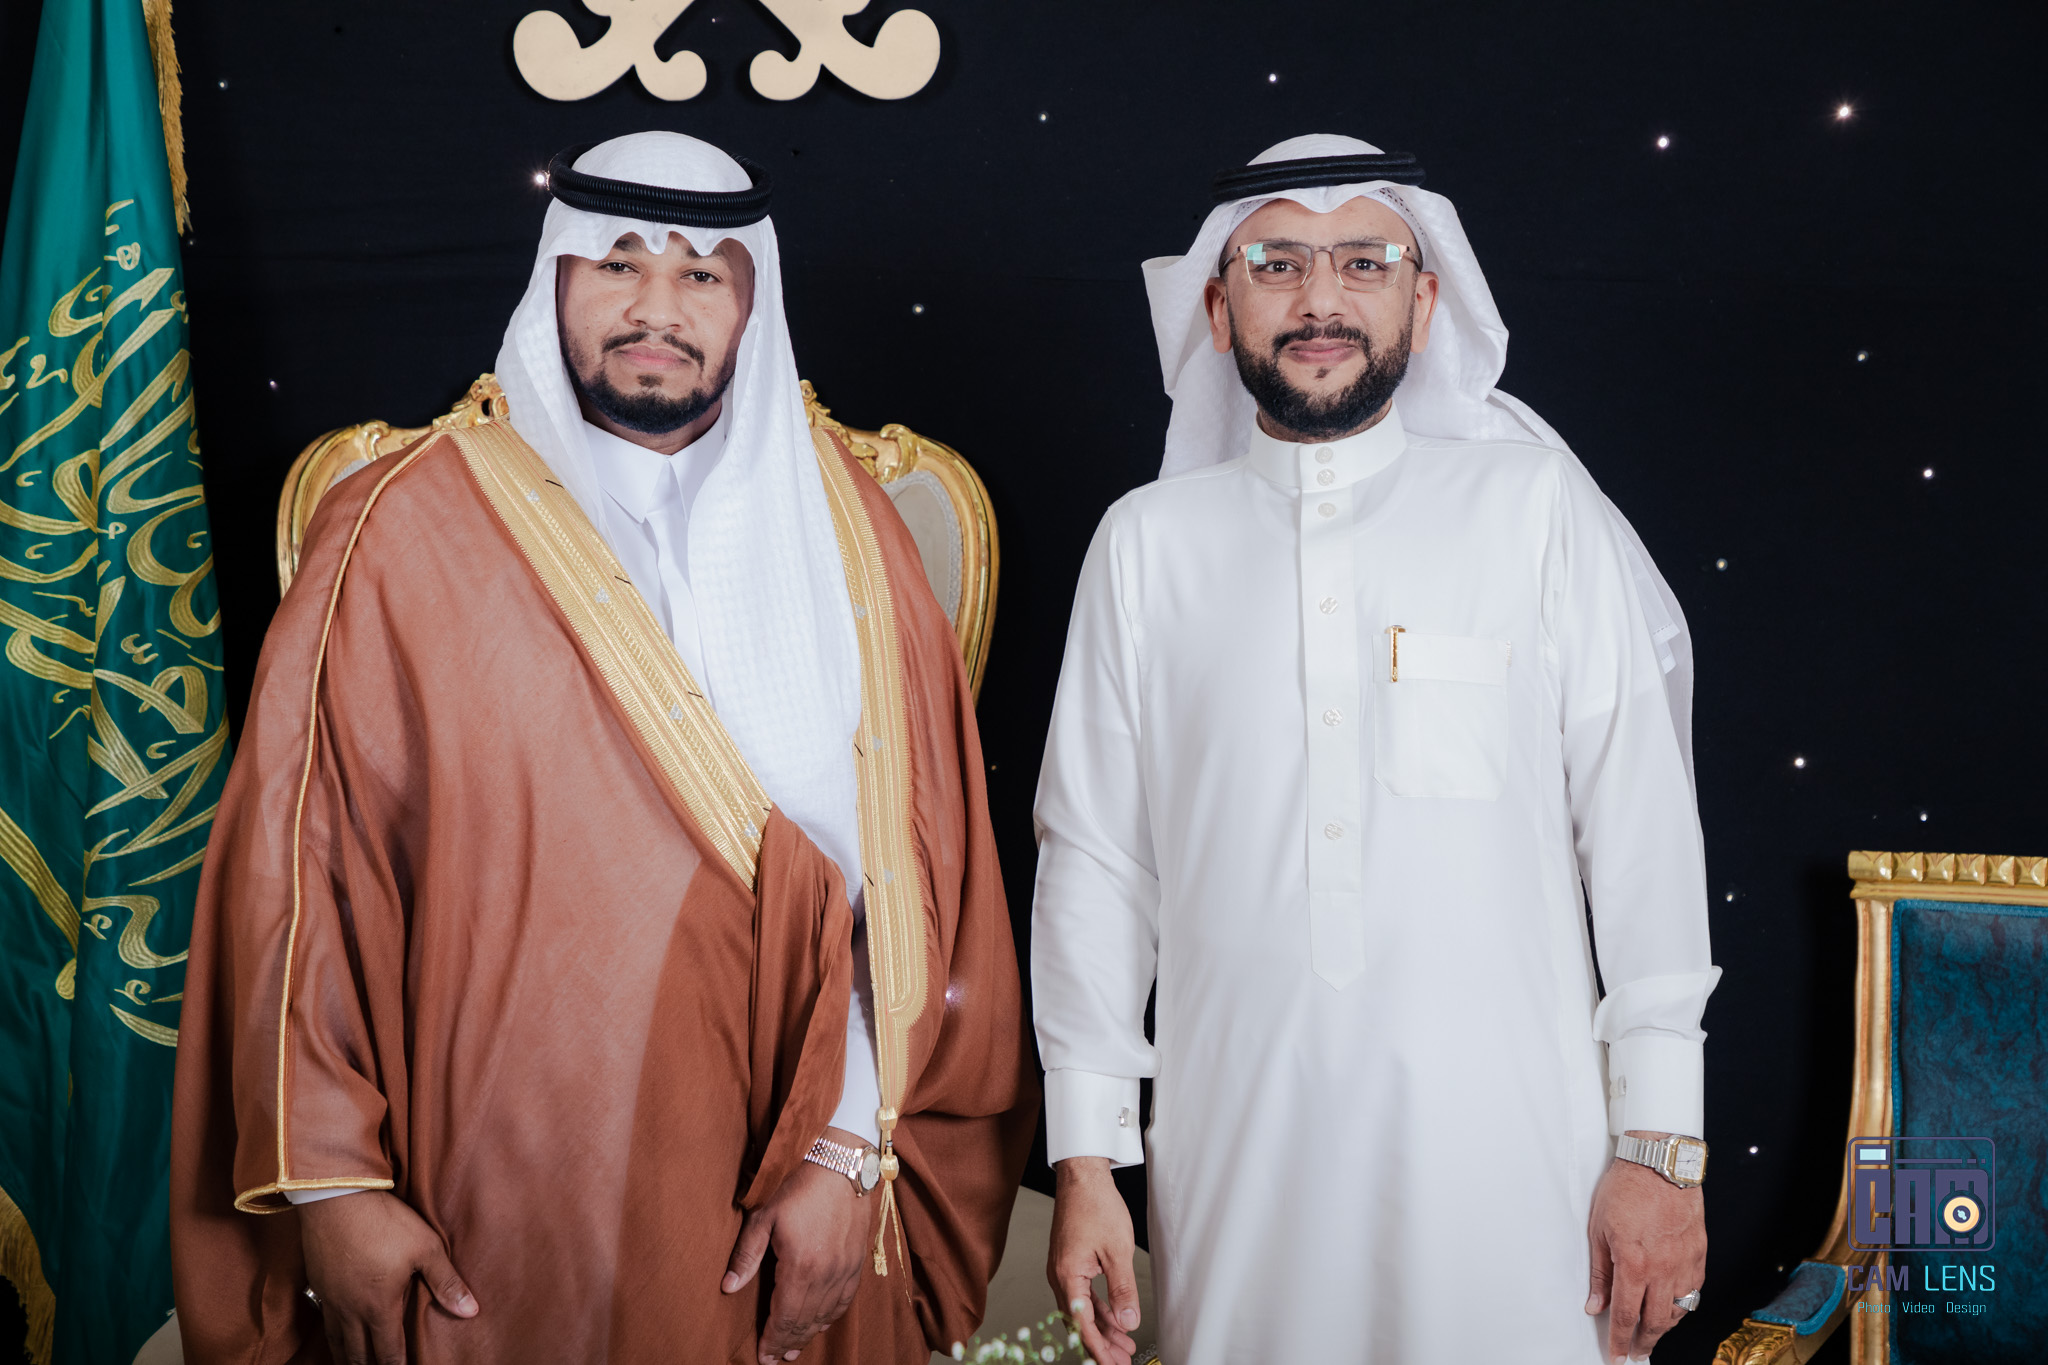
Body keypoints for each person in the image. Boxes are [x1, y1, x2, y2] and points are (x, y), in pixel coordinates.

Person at [169, 131, 1034, 1365]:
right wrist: (335, 1185)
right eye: (618, 263)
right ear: (556, 278)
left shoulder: (854, 537)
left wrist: (847, 1150)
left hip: (804, 1166)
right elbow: (301, 873)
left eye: (701, 275)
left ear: (751, 303)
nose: (656, 309)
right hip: (497, 1177)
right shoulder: (402, 527)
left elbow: (907, 893)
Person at [1032, 134, 1720, 1365]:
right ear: (1215, 304)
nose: (1320, 300)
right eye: (1275, 264)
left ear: (1425, 298)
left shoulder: (1530, 510)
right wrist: (1086, 1158)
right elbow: (1095, 862)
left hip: (1523, 1163)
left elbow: (1639, 835)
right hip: (1238, 1160)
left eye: (1362, 262)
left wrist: (1659, 1150)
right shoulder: (1145, 545)